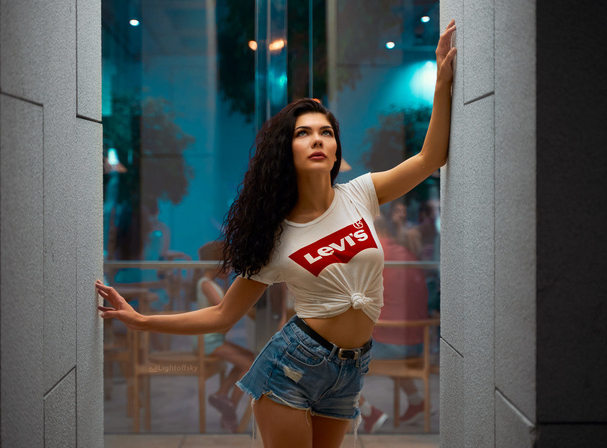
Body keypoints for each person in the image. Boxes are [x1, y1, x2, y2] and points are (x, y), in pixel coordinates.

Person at [96, 20, 456, 448]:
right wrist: (141, 320)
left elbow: (432, 156)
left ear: (338, 149)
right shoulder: (275, 236)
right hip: (292, 367)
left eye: (326, 132)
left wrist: (442, 80)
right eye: (303, 133)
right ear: (287, 149)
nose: (317, 139)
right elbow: (222, 315)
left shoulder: (362, 193)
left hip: (352, 367)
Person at [357, 215, 430, 433]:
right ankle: (417, 402)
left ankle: (368, 413)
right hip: (418, 343)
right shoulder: (405, 253)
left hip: (394, 343)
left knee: (332, 357)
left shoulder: (375, 254)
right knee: (380, 335)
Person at [195, 241, 255, 432]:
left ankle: (222, 395)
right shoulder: (206, 284)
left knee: (249, 360)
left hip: (215, 340)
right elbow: (225, 310)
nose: (229, 267)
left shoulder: (211, 284)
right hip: (208, 342)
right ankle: (229, 408)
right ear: (215, 262)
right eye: (226, 262)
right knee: (249, 364)